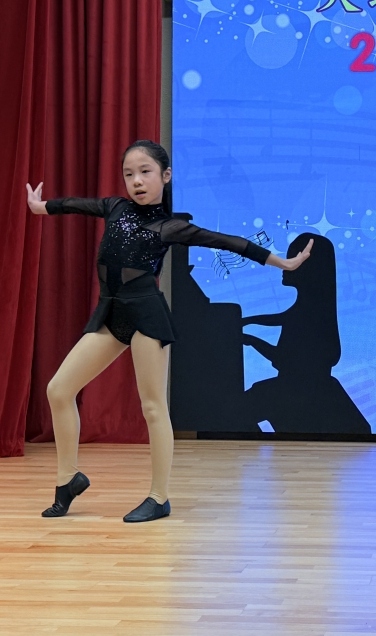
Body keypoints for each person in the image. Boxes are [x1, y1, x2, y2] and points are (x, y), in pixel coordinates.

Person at [25, 140, 312, 522]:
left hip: (147, 317)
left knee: (152, 406)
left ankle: (159, 497)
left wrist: (282, 263)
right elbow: (78, 204)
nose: (136, 181)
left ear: (166, 175)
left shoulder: (170, 226)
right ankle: (68, 479)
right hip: (111, 313)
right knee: (59, 389)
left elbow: (227, 241)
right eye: (129, 174)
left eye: (145, 172)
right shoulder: (115, 207)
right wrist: (42, 207)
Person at [241, 233, 371, 434]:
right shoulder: (309, 307)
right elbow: (280, 318)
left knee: (233, 412)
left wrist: (251, 340)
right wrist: (247, 322)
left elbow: (284, 359)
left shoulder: (313, 312)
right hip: (301, 386)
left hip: (298, 390)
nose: (284, 266)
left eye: (292, 260)